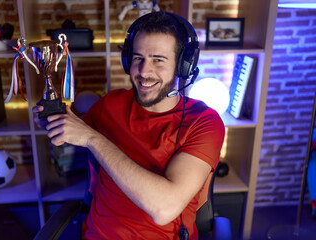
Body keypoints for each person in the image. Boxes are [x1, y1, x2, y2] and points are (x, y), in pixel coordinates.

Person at [33, 11, 225, 240]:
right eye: (137, 58)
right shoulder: (111, 104)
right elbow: (71, 133)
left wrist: (93, 139)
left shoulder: (204, 122)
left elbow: (164, 210)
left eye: (158, 60)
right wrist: (53, 121)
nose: (144, 71)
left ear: (183, 66)